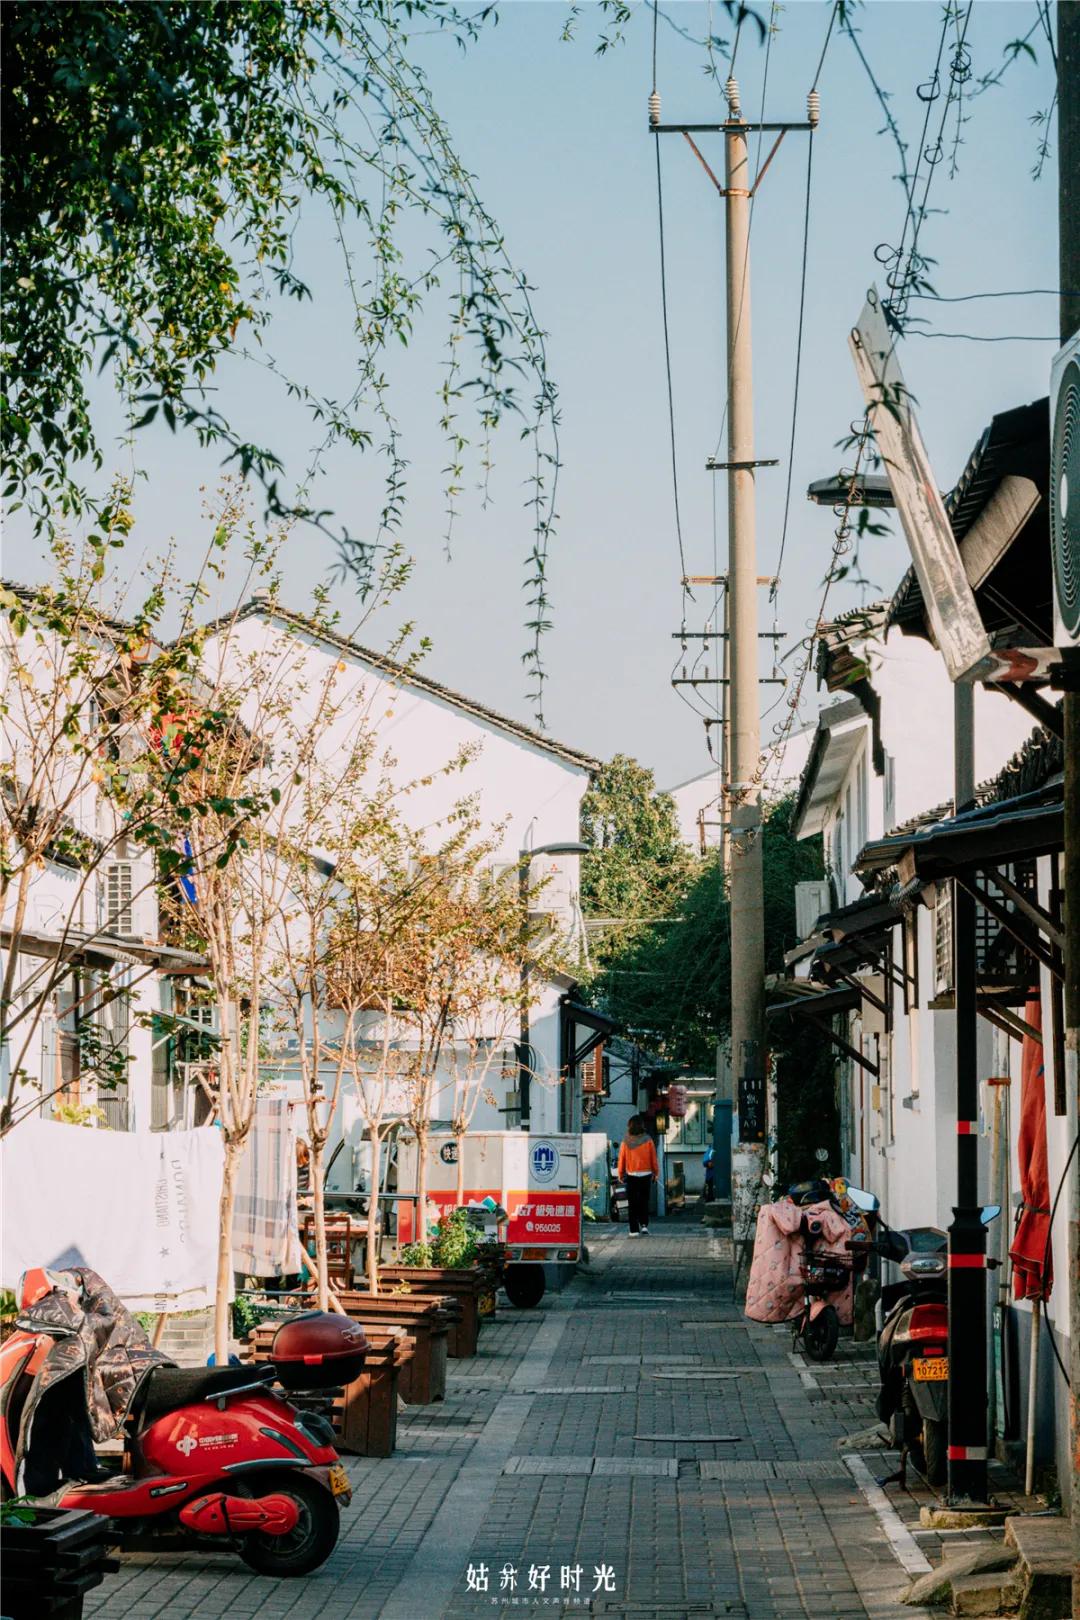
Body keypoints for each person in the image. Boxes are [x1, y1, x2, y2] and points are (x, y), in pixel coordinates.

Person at [617, 1115, 659, 1237]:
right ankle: (644, 1225)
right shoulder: (648, 1139)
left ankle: (634, 1230)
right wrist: (656, 1173)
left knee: (632, 1203)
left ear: (630, 1126)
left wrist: (620, 1173)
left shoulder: (626, 1141)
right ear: (642, 1125)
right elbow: (653, 1158)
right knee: (644, 1201)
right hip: (646, 1174)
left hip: (631, 1174)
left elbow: (622, 1159)